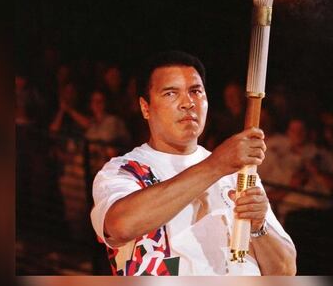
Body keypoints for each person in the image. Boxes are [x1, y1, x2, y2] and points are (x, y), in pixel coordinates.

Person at [90, 50, 296, 276]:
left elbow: (285, 272)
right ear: (145, 107)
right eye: (170, 93)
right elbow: (120, 226)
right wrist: (216, 165)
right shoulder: (126, 170)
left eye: (196, 91)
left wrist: (259, 228)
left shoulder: (239, 172)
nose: (187, 103)